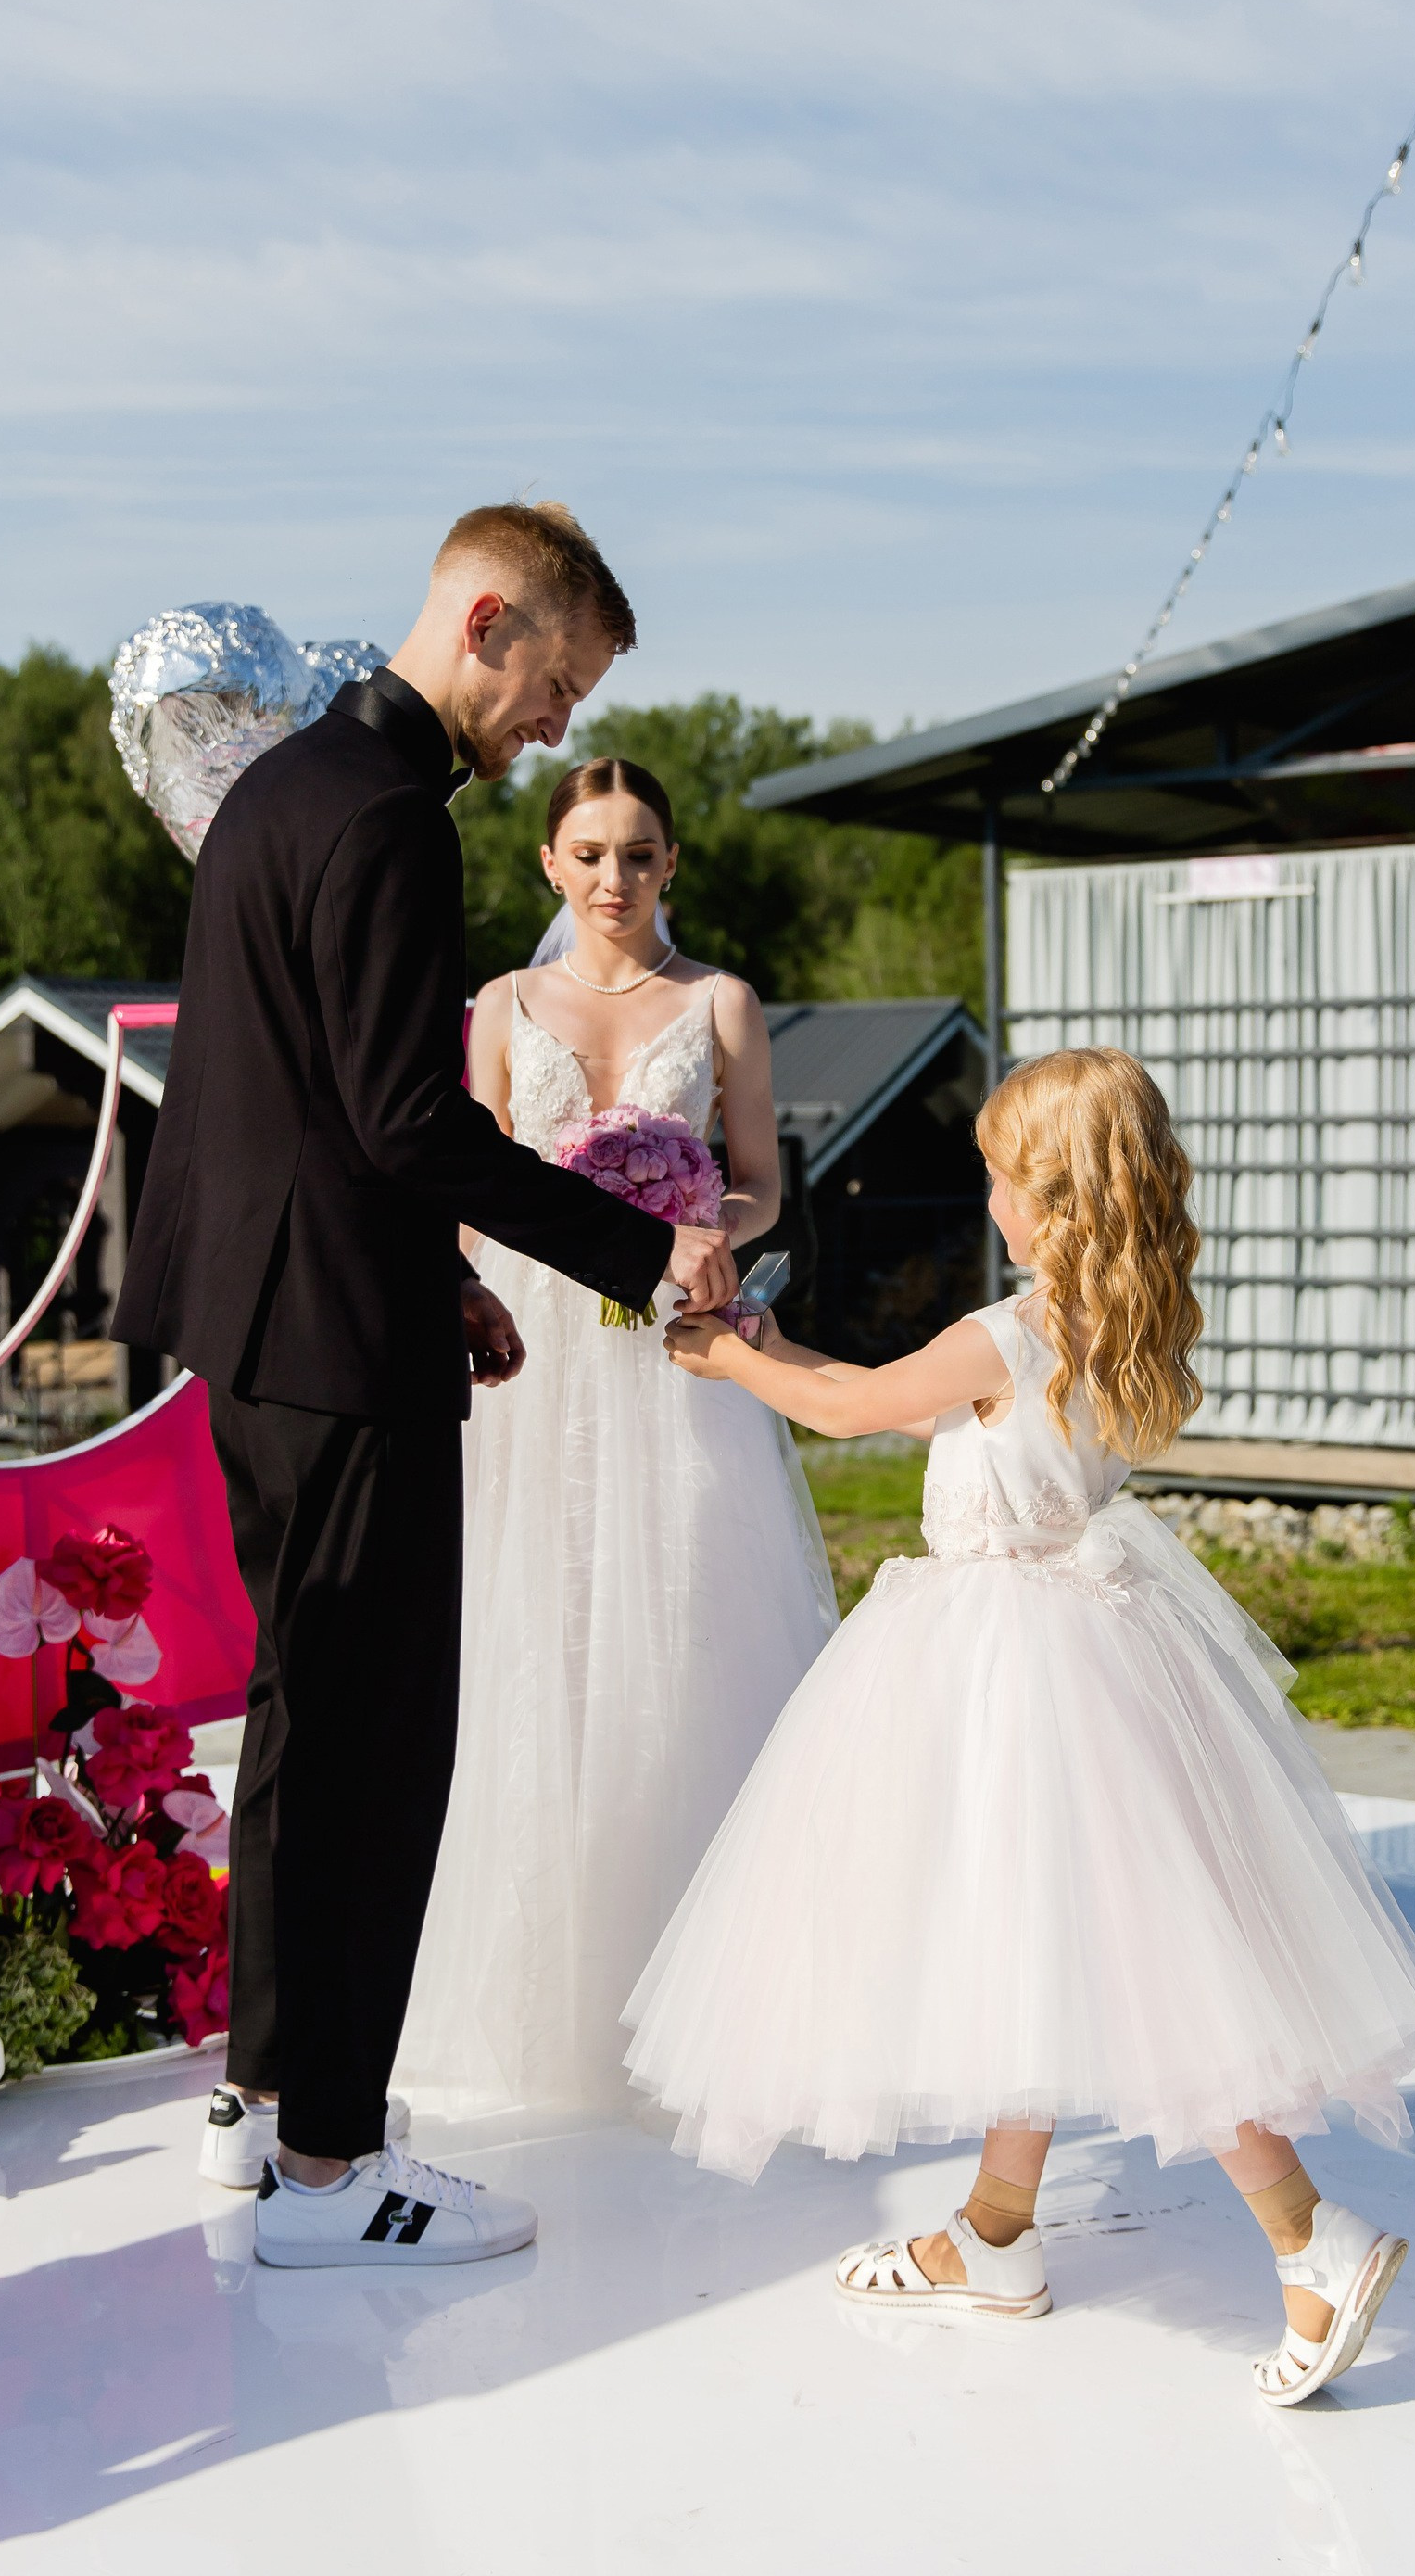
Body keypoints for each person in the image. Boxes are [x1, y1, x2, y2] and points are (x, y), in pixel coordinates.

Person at [631, 1048, 1415, 2404]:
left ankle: (1313, 2237)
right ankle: (994, 2237)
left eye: (1002, 1177)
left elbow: (851, 1410)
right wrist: (789, 1353)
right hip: (1091, 1656)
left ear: (1052, 1200)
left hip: (1005, 1669)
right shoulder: (1108, 1324)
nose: (991, 1197)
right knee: (1040, 1949)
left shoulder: (1005, 1333)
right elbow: (905, 1397)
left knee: (1139, 1973)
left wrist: (727, 1359)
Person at [112, 504, 739, 2271]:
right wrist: (635, 1248)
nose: (555, 721)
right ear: (485, 621)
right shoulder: (386, 820)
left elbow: (298, 1096)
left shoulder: (285, 789)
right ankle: (333, 2169)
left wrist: (441, 1267)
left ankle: (259, 2111)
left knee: (303, 1718)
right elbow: (401, 1115)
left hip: (258, 1323)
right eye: (559, 679)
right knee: (380, 1743)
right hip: (334, 1343)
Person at [395, 756, 837, 2118]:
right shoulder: (499, 1006)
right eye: (589, 852)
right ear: (547, 864)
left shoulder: (721, 1005)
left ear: (673, 865)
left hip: (663, 1343)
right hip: (531, 1351)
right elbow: (462, 1191)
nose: (613, 878)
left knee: (681, 1633)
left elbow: (765, 1187)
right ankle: (528, 2006)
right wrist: (449, 1296)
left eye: (639, 853)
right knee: (531, 1634)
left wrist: (708, 1218)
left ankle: (704, 2007)